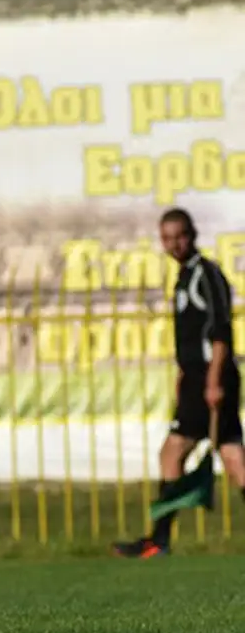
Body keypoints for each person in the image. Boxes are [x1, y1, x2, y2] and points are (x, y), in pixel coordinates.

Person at [114, 208, 245, 558]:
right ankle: (159, 540)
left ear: (193, 235)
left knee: (172, 452)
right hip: (196, 378)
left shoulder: (207, 274)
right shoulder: (184, 277)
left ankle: (159, 540)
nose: (174, 244)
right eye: (167, 239)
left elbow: (221, 332)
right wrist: (183, 376)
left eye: (180, 236)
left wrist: (213, 381)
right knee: (233, 458)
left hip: (210, 377)